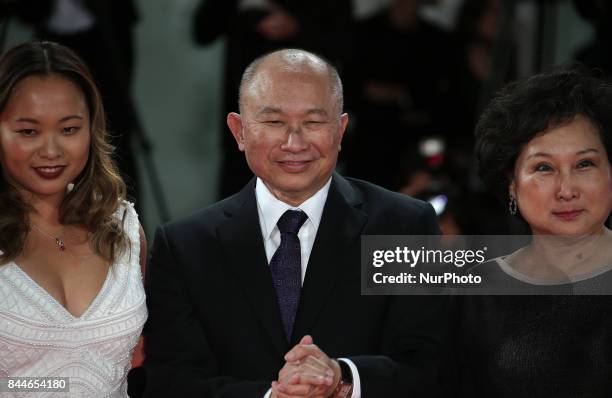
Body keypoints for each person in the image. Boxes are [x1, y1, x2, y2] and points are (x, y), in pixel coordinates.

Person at [144, 49, 449, 397]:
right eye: (274, 122)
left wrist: (343, 377)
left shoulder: (407, 227)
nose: (295, 143)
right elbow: (170, 383)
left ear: (341, 130)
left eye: (314, 122)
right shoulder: (184, 246)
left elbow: (433, 366)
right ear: (239, 131)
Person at [453, 65, 612, 396]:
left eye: (585, 164)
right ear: (512, 186)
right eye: (543, 168)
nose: (567, 190)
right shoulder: (475, 295)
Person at [0, 41, 147, 397]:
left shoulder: (123, 225)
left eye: (68, 129)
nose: (51, 151)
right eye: (28, 131)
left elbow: (139, 362)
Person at [193, 0, 354, 199]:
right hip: (246, 115)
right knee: (239, 202)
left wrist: (297, 26)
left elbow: (346, 39)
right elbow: (202, 31)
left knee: (309, 197)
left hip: (307, 106)